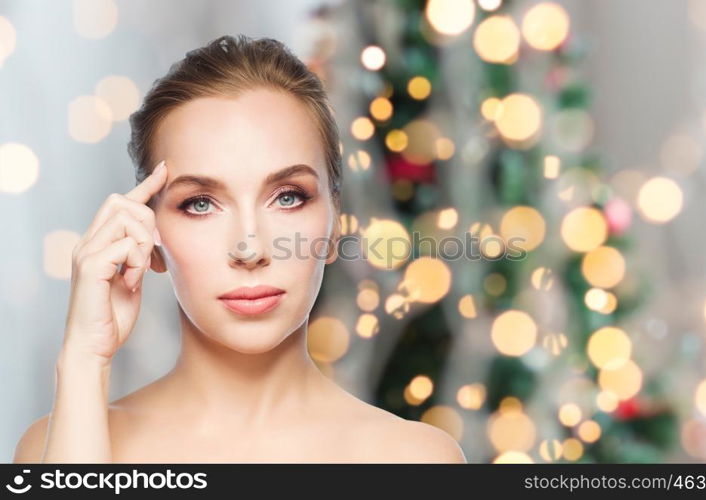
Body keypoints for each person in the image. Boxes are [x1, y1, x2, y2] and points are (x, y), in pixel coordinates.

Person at [13, 35, 466, 463]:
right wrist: (84, 360)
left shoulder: (417, 459)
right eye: (200, 204)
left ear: (334, 226)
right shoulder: (60, 444)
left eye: (288, 196)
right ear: (148, 236)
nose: (249, 250)